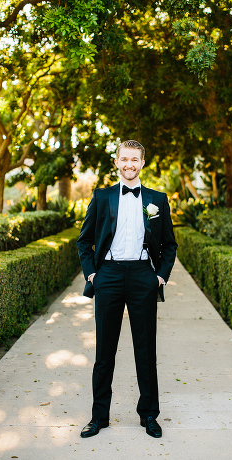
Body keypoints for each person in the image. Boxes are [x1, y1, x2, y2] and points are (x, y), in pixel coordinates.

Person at [77, 140, 178, 439]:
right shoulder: (102, 196)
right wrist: (93, 274)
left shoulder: (157, 200)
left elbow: (170, 244)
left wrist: (159, 277)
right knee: (104, 352)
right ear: (117, 162)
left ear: (142, 163)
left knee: (145, 351)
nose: (129, 164)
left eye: (135, 159)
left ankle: (149, 415)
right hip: (107, 275)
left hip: (142, 277)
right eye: (124, 159)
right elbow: (84, 241)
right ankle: (99, 417)